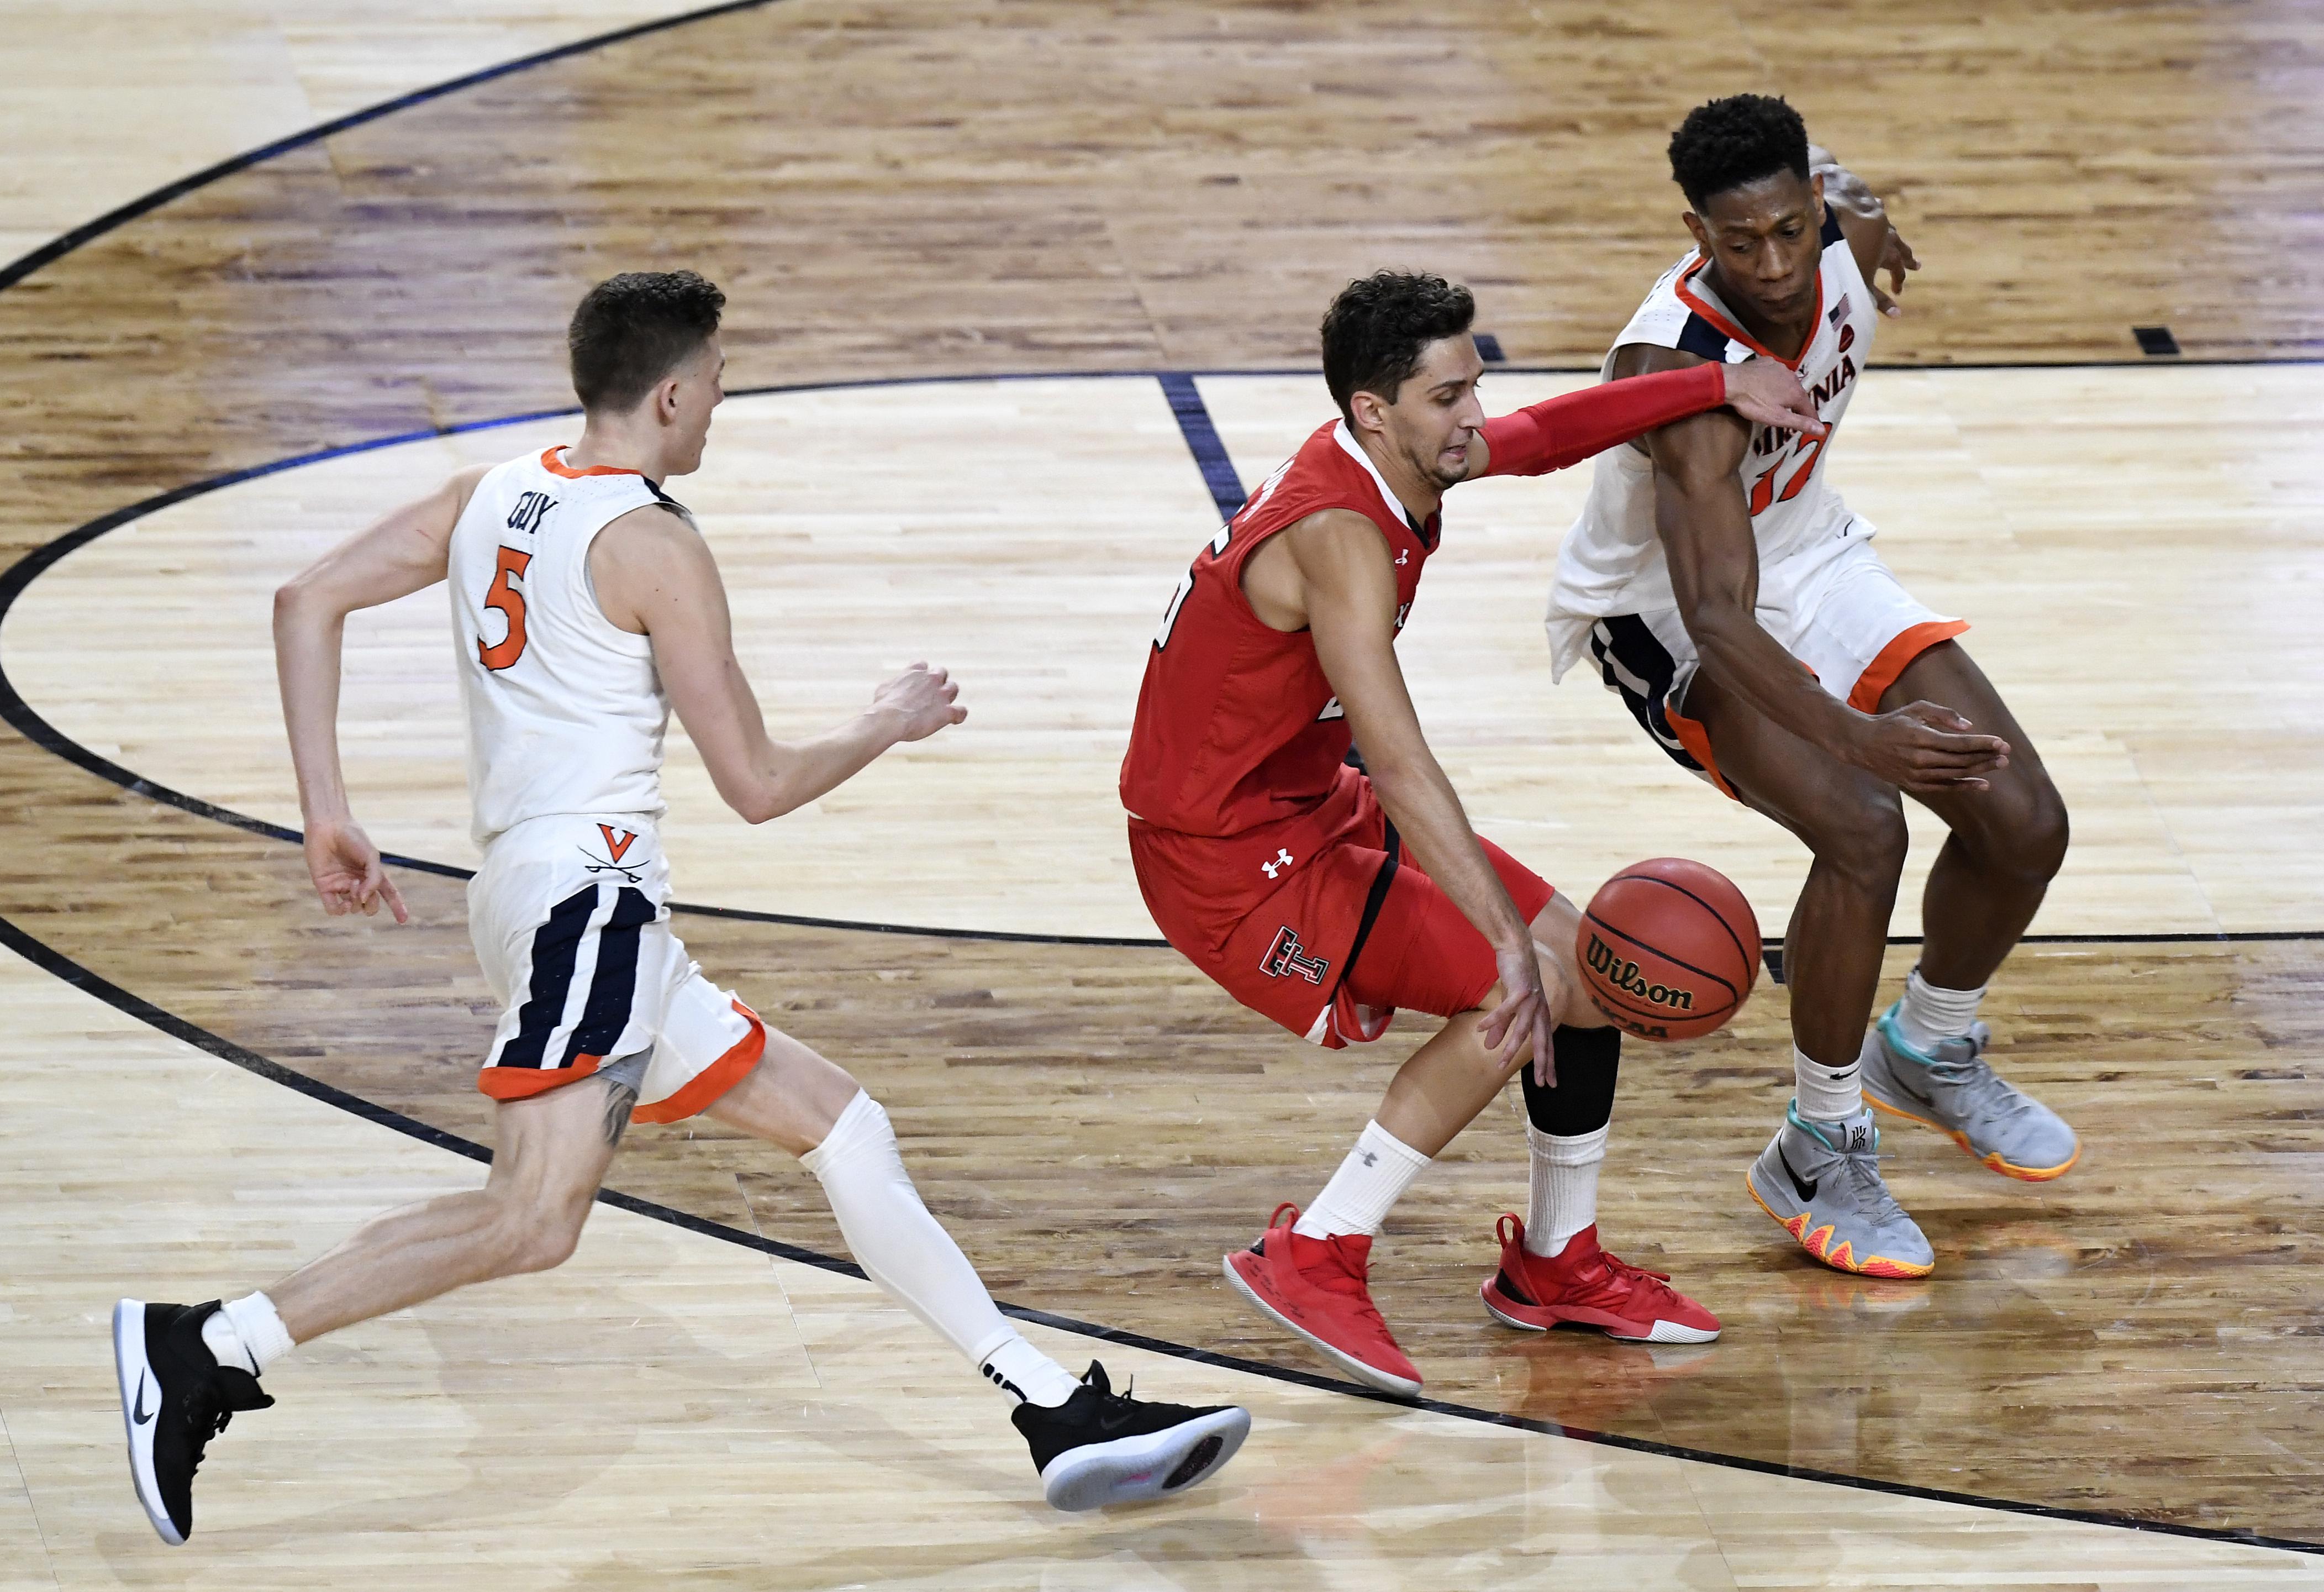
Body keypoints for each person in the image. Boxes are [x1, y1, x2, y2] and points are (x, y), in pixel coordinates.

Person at [112, 270, 1249, 1546]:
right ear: (666, 393)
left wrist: (326, 809)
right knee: (532, 1219)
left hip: (552, 904)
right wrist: (887, 720)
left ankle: (1050, 1405)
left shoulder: (491, 491)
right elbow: (757, 783)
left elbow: (304, 598)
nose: (719, 400)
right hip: (586, 911)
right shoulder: (655, 545)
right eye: (715, 379)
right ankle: (209, 1344)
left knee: (843, 1126)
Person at [1120, 270, 1820, 1395]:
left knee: (1586, 964)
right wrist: (1502, 939)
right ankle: (1317, 1247)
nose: (1474, 418)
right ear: (1373, 412)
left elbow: (1538, 439)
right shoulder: (1339, 535)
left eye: (1472, 386)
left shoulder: (1389, 457)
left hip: (1303, 805)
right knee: (1515, 986)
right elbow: (1398, 762)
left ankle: (1555, 1262)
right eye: (1448, 398)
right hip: (1227, 863)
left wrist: (1712, 384)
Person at [1545, 94, 2078, 1280]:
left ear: (1813, 204)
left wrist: (1876, 231)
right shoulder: (1684, 377)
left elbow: (1850, 195)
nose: (1777, 265)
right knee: (1862, 825)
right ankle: (1817, 1143)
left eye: (1791, 230)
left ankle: (1927, 1048)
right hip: (1671, 614)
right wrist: (1858, 739)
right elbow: (1720, 621)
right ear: (1696, 234)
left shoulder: (1839, 221)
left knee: (2024, 822)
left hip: (1811, 550)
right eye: (1741, 244)